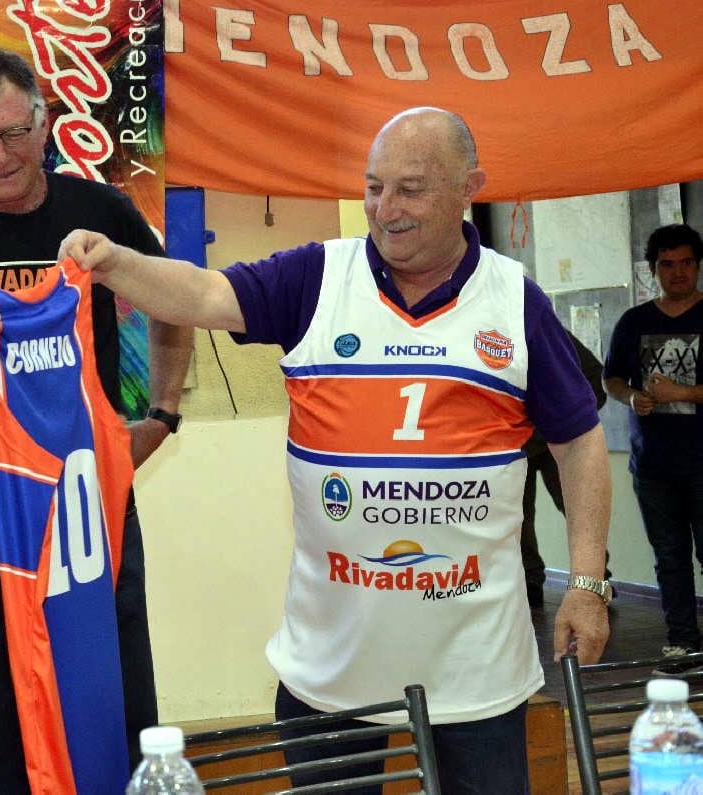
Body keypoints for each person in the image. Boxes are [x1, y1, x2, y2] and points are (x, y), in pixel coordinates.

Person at [60, 106, 612, 794]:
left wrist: (586, 583)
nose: (386, 209)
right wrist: (117, 263)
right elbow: (203, 292)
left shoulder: (513, 299)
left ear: (470, 185)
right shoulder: (318, 276)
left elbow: (581, 441)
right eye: (374, 186)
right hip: (333, 672)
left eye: (411, 188)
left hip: (477, 674)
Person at [0, 48, 193, 793]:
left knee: (114, 716)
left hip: (91, 516)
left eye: (13, 133)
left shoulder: (100, 212)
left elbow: (174, 303)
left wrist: (161, 415)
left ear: (44, 123)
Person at [604, 222, 703, 673]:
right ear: (653, 269)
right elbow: (613, 379)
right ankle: (683, 643)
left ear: (698, 266)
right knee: (669, 558)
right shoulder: (634, 322)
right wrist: (633, 397)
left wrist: (680, 394)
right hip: (654, 465)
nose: (678, 273)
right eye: (668, 265)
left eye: (686, 263)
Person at [521, 331, 609, 609]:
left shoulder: (537, 322)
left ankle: (596, 580)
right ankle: (529, 581)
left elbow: (595, 377)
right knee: (516, 518)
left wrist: (570, 420)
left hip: (557, 439)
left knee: (580, 509)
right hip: (514, 444)